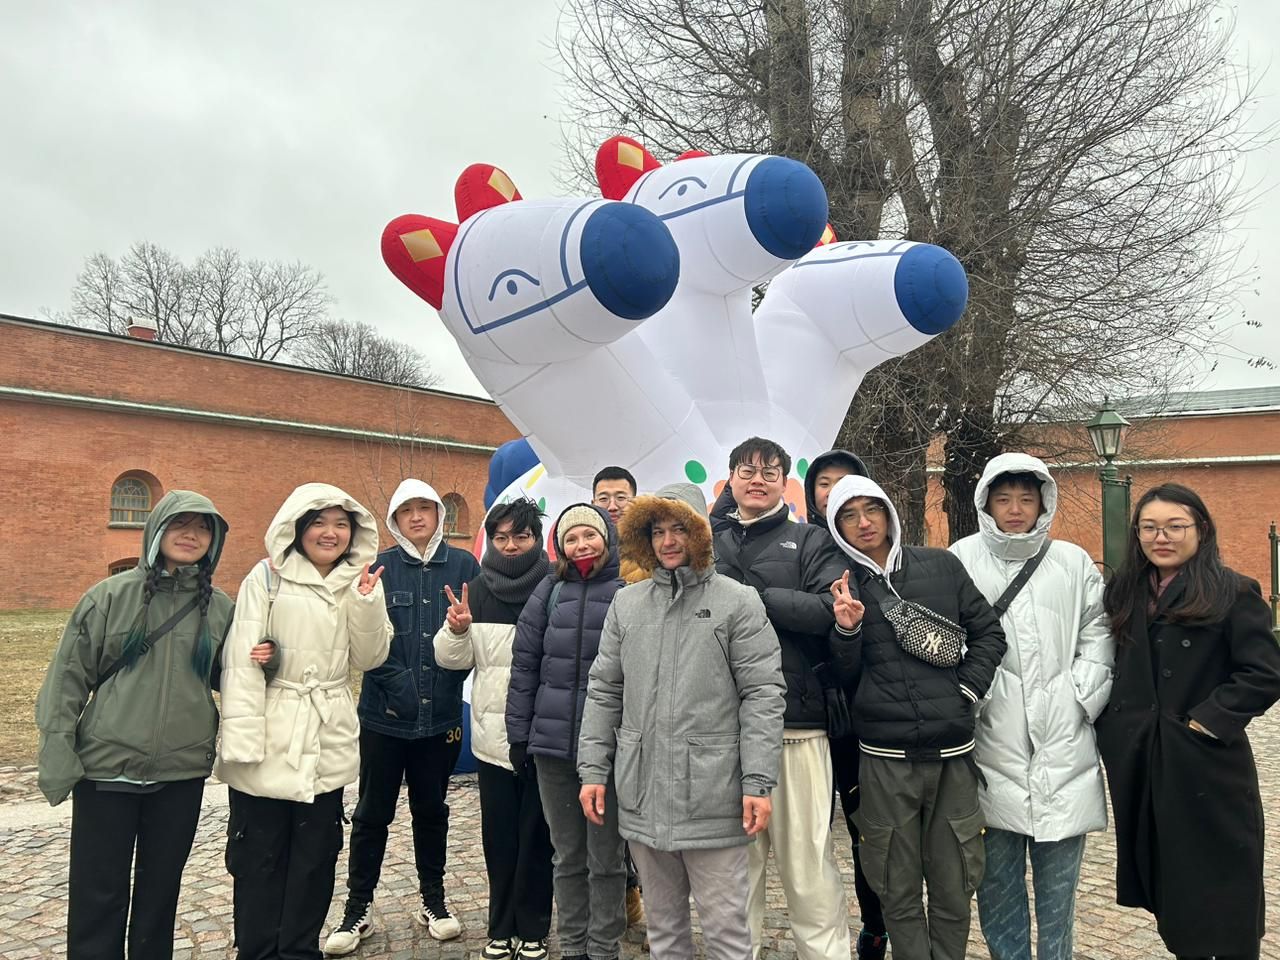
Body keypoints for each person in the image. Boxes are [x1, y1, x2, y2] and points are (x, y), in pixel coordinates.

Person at [577, 482, 786, 960]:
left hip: (712, 795)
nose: (668, 541)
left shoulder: (738, 602)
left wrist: (757, 780)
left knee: (727, 934)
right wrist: (592, 770)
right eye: (657, 531)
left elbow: (763, 694)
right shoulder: (626, 605)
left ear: (701, 534)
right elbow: (605, 690)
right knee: (665, 934)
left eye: (679, 529)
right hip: (643, 792)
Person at [36, 492, 237, 960]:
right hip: (107, 771)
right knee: (98, 894)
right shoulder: (109, 597)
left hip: (180, 772)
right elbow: (67, 679)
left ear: (214, 540)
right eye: (180, 523)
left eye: (203, 528)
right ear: (157, 529)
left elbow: (231, 677)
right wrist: (58, 750)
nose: (191, 534)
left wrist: (265, 661)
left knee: (159, 896)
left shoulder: (221, 607)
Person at [1096, 482, 1280, 960]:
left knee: (1221, 885)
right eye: (1150, 527)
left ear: (1200, 529)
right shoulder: (1125, 592)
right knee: (1168, 881)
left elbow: (1264, 673)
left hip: (1207, 766)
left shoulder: (1233, 590)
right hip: (1143, 758)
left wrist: (1206, 722)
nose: (1162, 537)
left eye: (1175, 526)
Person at [825, 474, 1006, 960]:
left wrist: (965, 690)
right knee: (895, 888)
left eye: (872, 510)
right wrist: (847, 631)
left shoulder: (940, 567)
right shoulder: (839, 582)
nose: (864, 523)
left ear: (889, 512)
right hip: (884, 761)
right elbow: (845, 676)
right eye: (849, 514)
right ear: (836, 525)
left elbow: (989, 633)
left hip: (952, 757)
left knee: (953, 887)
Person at [950, 454, 1114, 960]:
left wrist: (1080, 697)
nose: (1016, 509)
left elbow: (1098, 631)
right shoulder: (961, 557)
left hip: (1063, 745)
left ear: (1044, 501)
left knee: (1059, 898)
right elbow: (947, 633)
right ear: (986, 503)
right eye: (1004, 499)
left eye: (1026, 498)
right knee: (996, 892)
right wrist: (976, 695)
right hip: (990, 743)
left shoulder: (1071, 560)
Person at [217, 483, 392, 960]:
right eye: (319, 522)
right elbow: (241, 662)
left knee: (315, 857)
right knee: (260, 858)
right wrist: (243, 742)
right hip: (272, 728)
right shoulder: (267, 577)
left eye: (341, 524)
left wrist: (367, 603)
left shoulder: (361, 581)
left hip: (327, 729)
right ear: (298, 527)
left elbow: (371, 657)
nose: (330, 533)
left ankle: (298, 951)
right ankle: (256, 951)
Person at [324, 480, 480, 955]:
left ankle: (434, 901)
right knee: (372, 814)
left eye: (425, 509)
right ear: (395, 518)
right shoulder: (379, 568)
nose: (417, 517)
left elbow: (477, 638)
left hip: (441, 720)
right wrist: (401, 689)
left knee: (431, 812)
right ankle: (357, 909)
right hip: (383, 718)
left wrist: (460, 637)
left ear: (438, 514)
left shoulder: (464, 566)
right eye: (407, 510)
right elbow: (364, 640)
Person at [713, 437, 853, 960]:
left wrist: (754, 600)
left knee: (807, 864)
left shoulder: (811, 541)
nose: (757, 479)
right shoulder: (709, 541)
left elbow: (827, 610)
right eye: (747, 470)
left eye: (769, 471)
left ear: (784, 482)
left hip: (798, 726)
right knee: (733, 869)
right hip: (723, 728)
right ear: (731, 478)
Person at [433, 499, 555, 960]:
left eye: (520, 537)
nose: (510, 546)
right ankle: (500, 927)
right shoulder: (477, 590)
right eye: (501, 537)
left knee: (537, 837)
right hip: (492, 737)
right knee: (499, 838)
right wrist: (457, 631)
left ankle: (535, 926)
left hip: (542, 735)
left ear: (535, 538)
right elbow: (453, 663)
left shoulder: (554, 586)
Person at [507, 503, 627, 960]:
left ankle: (604, 947)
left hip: (610, 750)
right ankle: (574, 946)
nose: (581, 546)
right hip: (553, 748)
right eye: (572, 538)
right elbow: (525, 667)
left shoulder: (625, 590)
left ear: (606, 540)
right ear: (559, 545)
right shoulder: (548, 591)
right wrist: (519, 735)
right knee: (567, 856)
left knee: (607, 860)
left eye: (590, 536)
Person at [801, 448, 887, 960]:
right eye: (823, 483)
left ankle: (875, 923)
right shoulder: (799, 547)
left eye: (846, 482)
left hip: (864, 714)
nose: (833, 491)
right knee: (807, 833)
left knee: (865, 827)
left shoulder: (879, 556)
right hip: (810, 710)